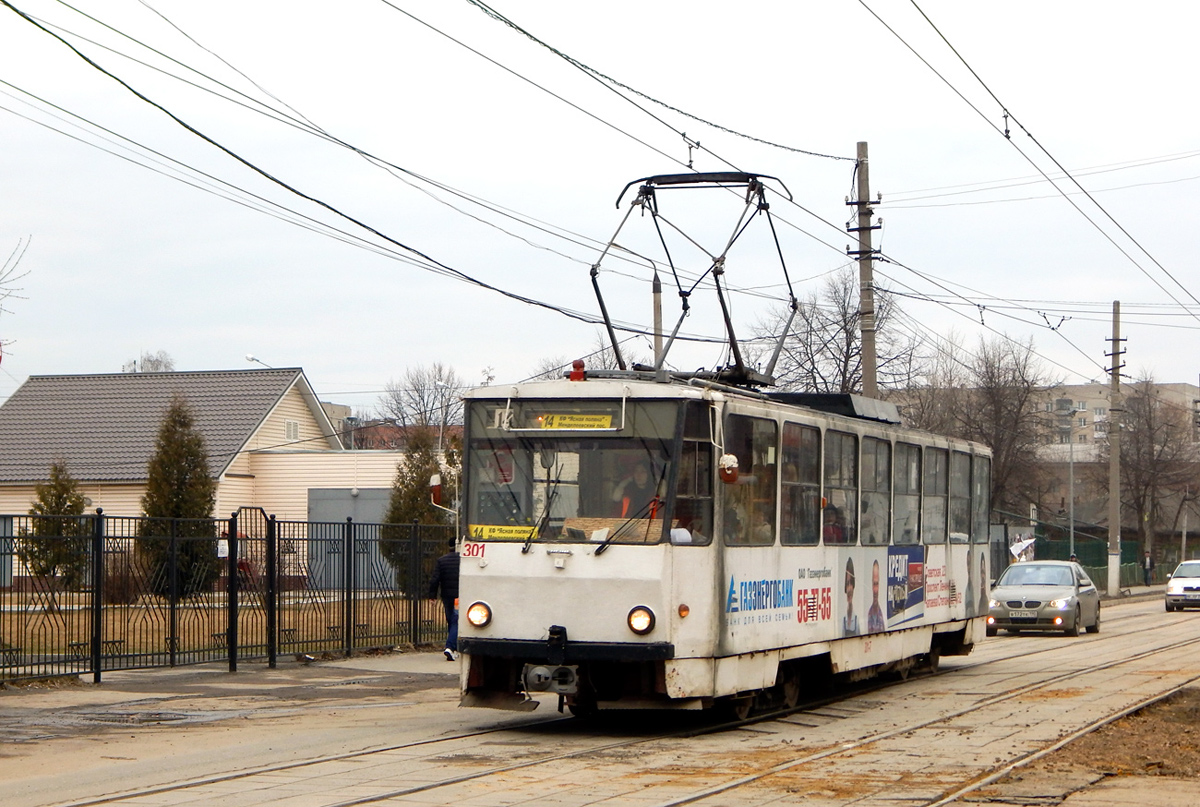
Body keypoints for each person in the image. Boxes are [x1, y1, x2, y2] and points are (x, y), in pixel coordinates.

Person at [427, 539, 460, 661]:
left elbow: (435, 579)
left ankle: (453, 648)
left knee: (450, 620)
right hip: (459, 596)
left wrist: (432, 596)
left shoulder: (442, 560)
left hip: (446, 596)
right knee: (456, 620)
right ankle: (450, 647)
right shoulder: (463, 560)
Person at [842, 557, 860, 637]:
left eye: (851, 583)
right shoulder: (843, 619)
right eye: (847, 583)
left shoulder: (857, 619)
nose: (849, 589)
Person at [867, 559, 885, 633]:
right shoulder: (868, 614)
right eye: (874, 584)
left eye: (877, 584)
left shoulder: (883, 614)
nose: (875, 590)